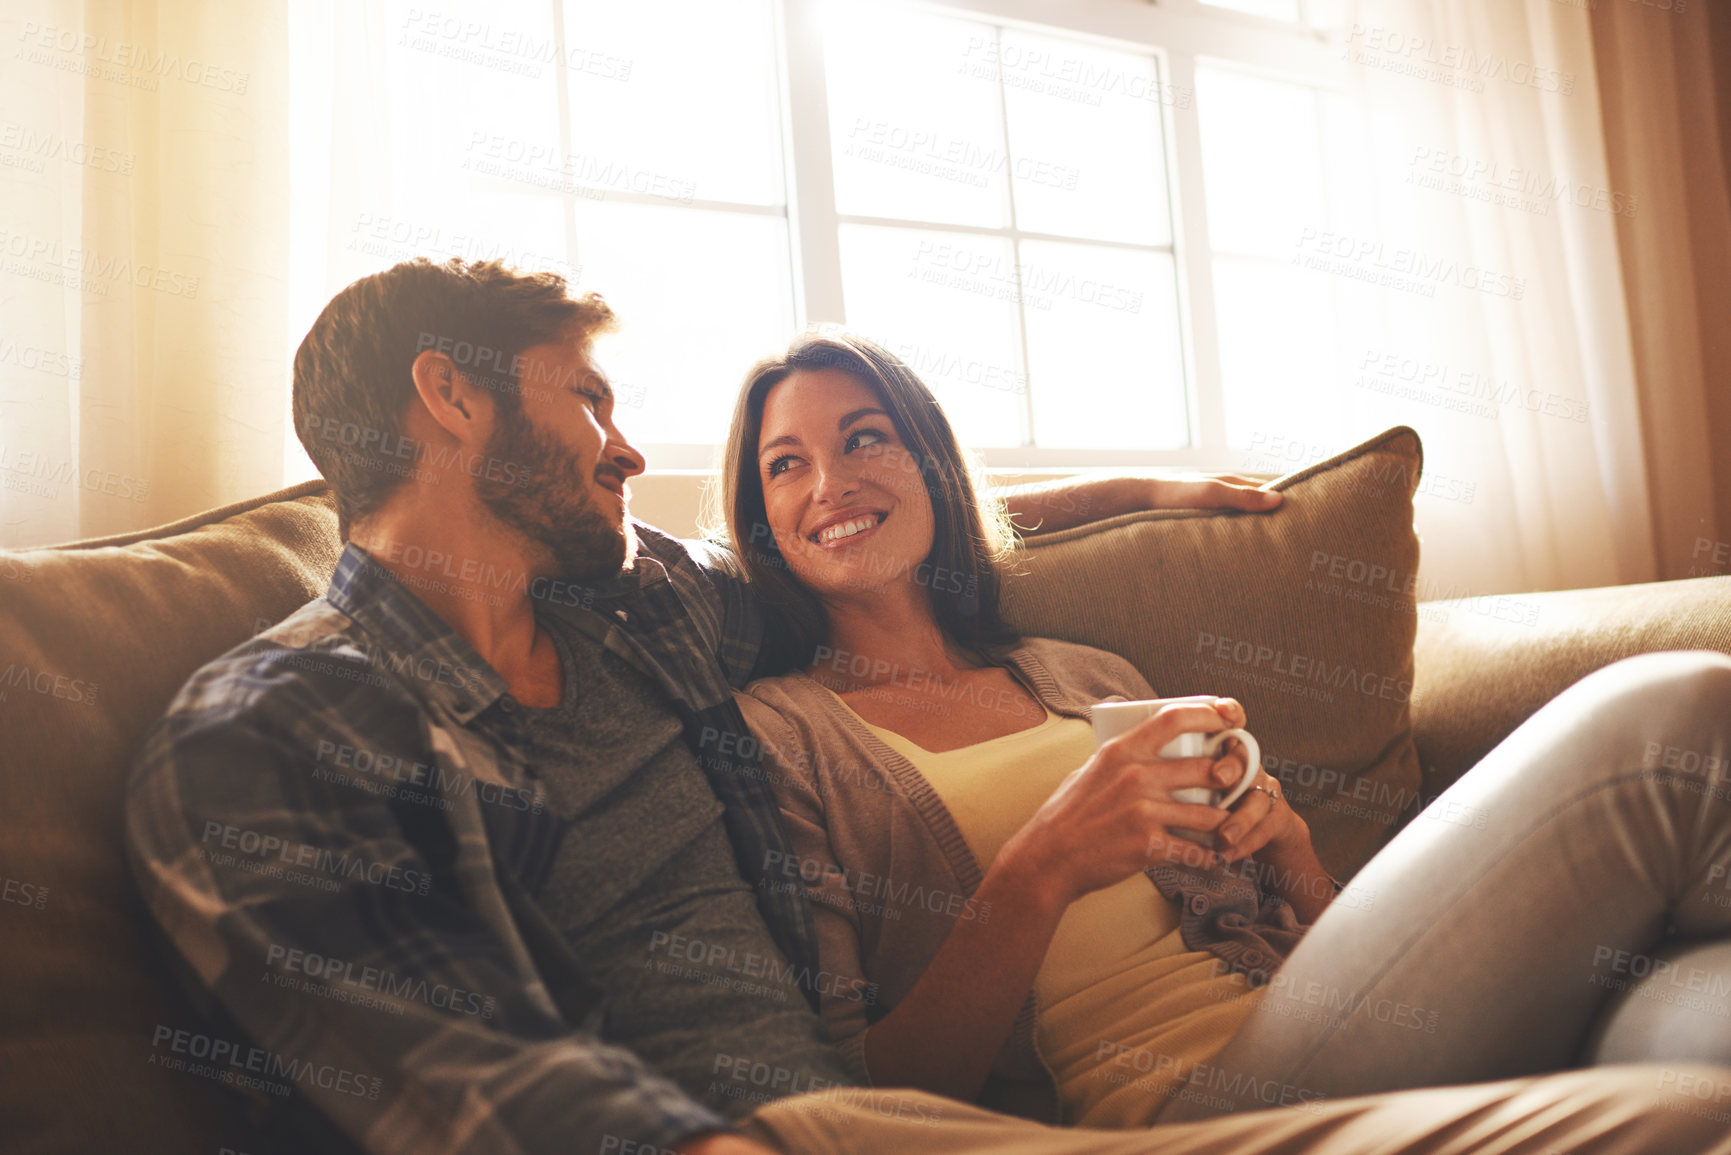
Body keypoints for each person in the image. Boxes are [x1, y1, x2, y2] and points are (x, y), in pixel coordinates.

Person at [125, 259, 1731, 1155]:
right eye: (592, 400)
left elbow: (868, 523)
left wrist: (1136, 486)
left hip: (897, 1111)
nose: (625, 448)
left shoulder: (646, 614)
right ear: (448, 396)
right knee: (1672, 725)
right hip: (801, 1129)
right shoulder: (271, 724)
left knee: (1693, 1059)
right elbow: (457, 1083)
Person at [725, 332, 1731, 1130]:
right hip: (1182, 1111)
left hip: (1315, 1033)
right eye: (786, 465)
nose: (831, 485)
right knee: (1674, 712)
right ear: (760, 522)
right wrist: (1045, 865)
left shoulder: (1087, 676)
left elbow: (1338, 963)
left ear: (930, 464)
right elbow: (861, 1092)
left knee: (1701, 1046)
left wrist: (1288, 847)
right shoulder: (782, 739)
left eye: (865, 438)